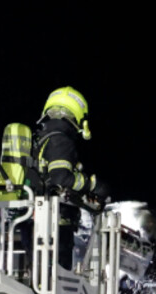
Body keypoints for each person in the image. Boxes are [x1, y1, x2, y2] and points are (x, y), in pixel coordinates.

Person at [35, 87, 108, 269]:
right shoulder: (61, 139)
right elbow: (60, 178)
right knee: (57, 281)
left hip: (42, 222)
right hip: (56, 225)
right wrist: (93, 185)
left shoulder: (44, 137)